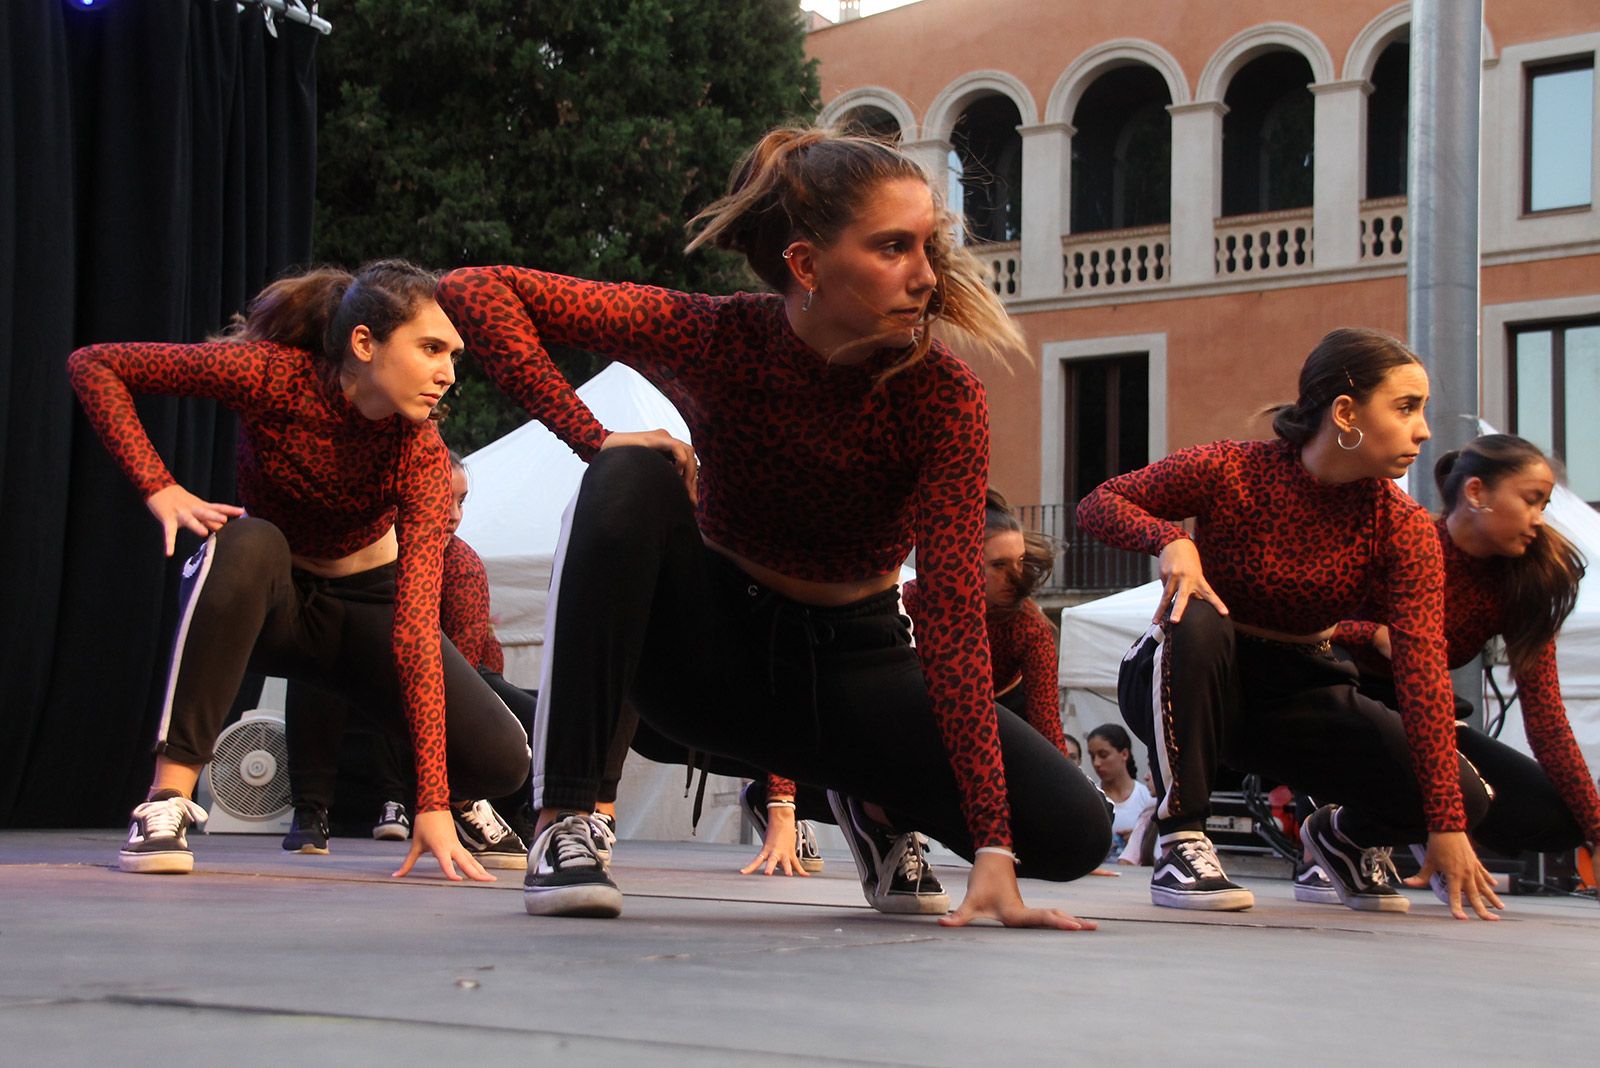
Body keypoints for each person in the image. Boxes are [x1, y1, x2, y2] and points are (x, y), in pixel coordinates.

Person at [438, 125, 1111, 927]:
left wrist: (994, 850)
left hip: (857, 669)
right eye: (894, 247)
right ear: (806, 265)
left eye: (928, 246)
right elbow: (477, 289)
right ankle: (568, 819)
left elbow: (955, 614)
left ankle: (880, 809)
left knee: (1076, 835)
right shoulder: (721, 335)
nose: (927, 275)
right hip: (709, 658)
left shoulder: (943, 396)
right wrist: (593, 435)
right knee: (631, 472)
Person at [68, 260, 532, 881]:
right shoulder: (269, 376)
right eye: (430, 349)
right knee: (247, 540)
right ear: (365, 343)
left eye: (453, 355)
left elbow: (416, 628)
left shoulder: (419, 454)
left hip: (366, 610)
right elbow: (95, 364)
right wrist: (160, 487)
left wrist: (432, 799)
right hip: (274, 602)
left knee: (506, 760)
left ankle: (463, 800)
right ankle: (165, 802)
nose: (448, 374)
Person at [1076, 327, 1502, 919]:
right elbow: (1099, 503)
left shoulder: (1404, 527)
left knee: (1470, 797)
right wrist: (1170, 540)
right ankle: (1181, 839)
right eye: (1406, 408)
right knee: (1198, 607)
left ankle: (1343, 839)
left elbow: (1424, 676)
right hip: (1191, 677)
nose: (1424, 430)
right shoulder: (1231, 468)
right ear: (1346, 412)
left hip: (1300, 688)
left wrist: (1446, 822)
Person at [1333, 434, 1600, 897]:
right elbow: (1304, 618)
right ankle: (1347, 833)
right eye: (1532, 501)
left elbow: (1548, 721)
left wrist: (1596, 828)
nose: (1539, 520)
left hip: (1427, 715)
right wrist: (1371, 634)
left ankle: (1386, 826)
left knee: (1558, 818)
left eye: (1544, 505)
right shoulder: (1405, 543)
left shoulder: (1520, 584)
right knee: (1454, 791)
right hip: (1336, 694)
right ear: (1476, 493)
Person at [278, 449, 538, 868]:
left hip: (456, 678)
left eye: (461, 502)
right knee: (319, 669)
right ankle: (312, 810)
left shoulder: (460, 564)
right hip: (369, 670)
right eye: (441, 499)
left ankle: (507, 811)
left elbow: (462, 668)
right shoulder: (363, 554)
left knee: (534, 712)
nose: (452, 514)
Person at [1086, 724, 1154, 865]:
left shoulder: (1147, 798)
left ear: (1124, 754)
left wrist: (1139, 841)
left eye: (1103, 755)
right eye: (1092, 756)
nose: (1097, 763)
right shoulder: (1089, 797)